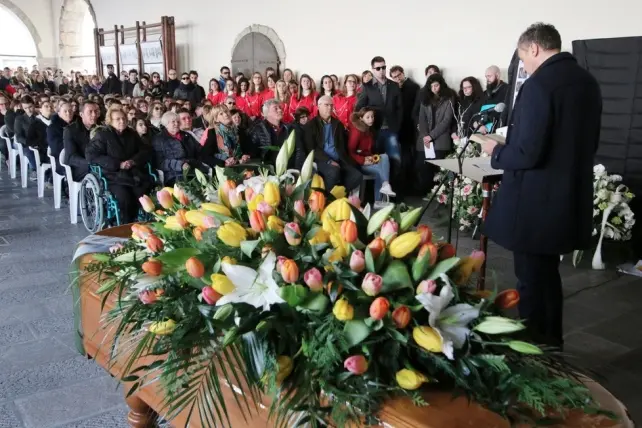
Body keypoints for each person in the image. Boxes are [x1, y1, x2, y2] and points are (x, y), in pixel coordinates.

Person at [481, 23, 602, 348]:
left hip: (535, 202)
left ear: (534, 48)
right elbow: (591, 143)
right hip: (568, 195)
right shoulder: (587, 82)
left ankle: (535, 350)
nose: (524, 65)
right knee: (547, 276)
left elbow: (527, 152)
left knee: (531, 280)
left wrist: (496, 150)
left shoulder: (539, 86)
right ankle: (552, 344)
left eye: (523, 58)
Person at [86, 107, 153, 223]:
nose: (122, 121)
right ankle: (126, 223)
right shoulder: (103, 135)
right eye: (117, 119)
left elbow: (145, 150)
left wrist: (133, 161)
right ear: (110, 121)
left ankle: (139, 221)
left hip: (133, 173)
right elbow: (92, 155)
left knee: (142, 192)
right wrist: (118, 164)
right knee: (125, 196)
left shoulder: (132, 134)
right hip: (112, 175)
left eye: (123, 118)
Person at [355, 56, 403, 179]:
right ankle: (379, 194)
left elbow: (400, 108)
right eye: (378, 68)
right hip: (373, 131)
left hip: (391, 129)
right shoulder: (367, 87)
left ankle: (394, 194)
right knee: (378, 161)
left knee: (395, 160)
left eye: (384, 67)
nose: (381, 70)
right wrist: (364, 127)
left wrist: (396, 126)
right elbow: (359, 108)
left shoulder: (394, 85)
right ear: (372, 69)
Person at [304, 95, 362, 192]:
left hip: (339, 158)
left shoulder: (338, 124)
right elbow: (312, 148)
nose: (330, 107)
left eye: (331, 105)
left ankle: (337, 195)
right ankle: (326, 200)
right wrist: (329, 161)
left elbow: (343, 145)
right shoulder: (311, 125)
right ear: (318, 106)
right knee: (334, 172)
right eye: (326, 105)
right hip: (321, 160)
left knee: (357, 175)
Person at [415, 73, 454, 195]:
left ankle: (440, 194)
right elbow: (422, 119)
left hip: (441, 138)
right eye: (431, 86)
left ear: (441, 85)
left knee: (438, 167)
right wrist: (426, 135)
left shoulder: (449, 97)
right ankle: (426, 192)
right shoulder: (424, 98)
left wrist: (432, 135)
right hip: (425, 138)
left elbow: (447, 120)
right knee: (422, 165)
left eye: (436, 85)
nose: (434, 89)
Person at [348, 107, 395, 201]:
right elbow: (350, 152)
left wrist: (372, 157)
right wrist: (363, 160)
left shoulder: (369, 130)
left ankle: (385, 185)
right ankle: (379, 199)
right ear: (361, 118)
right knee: (380, 171)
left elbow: (369, 150)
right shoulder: (356, 131)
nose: (371, 119)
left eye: (372, 117)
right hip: (359, 164)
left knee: (384, 157)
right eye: (368, 117)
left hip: (369, 160)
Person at [152, 111, 204, 186]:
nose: (176, 124)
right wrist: (180, 165)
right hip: (174, 174)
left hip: (193, 168)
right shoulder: (159, 139)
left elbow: (199, 151)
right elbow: (161, 162)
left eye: (178, 121)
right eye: (173, 122)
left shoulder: (187, 135)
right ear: (166, 124)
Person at [63, 100, 100, 182]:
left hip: (98, 163)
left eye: (96, 111)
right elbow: (71, 157)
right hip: (79, 167)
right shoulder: (70, 130)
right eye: (90, 112)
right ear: (81, 114)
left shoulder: (101, 129)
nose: (94, 115)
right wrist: (90, 163)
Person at [249, 99, 288, 164]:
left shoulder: (287, 128)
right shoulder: (257, 130)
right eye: (275, 109)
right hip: (267, 168)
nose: (280, 110)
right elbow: (253, 155)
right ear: (267, 113)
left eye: (280, 108)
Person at [13, 95, 38, 179]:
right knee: (29, 150)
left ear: (34, 104)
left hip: (40, 141)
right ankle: (35, 170)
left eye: (30, 107)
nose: (28, 110)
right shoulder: (20, 119)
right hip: (26, 143)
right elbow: (19, 136)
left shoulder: (39, 116)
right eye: (25, 108)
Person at [47, 101, 74, 177]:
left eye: (70, 111)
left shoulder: (76, 124)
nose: (68, 113)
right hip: (61, 158)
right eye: (65, 111)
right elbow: (56, 148)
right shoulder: (52, 128)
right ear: (59, 113)